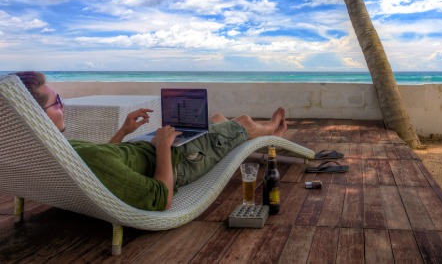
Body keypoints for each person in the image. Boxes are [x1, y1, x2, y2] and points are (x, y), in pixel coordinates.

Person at [12, 71, 287, 211]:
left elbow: (101, 160)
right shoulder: (84, 158)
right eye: (58, 103)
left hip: (147, 149)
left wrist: (123, 131)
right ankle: (270, 129)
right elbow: (162, 198)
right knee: (243, 121)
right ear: (37, 115)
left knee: (215, 117)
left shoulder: (47, 152)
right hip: (180, 161)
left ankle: (246, 131)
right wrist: (165, 145)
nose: (65, 106)